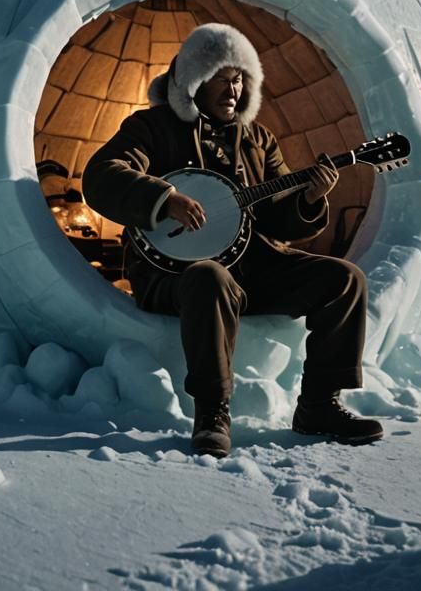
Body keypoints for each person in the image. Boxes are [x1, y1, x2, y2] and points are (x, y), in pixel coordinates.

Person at [82, 23, 383, 458]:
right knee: (209, 277)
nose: (233, 89)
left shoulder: (259, 140)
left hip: (253, 267)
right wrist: (164, 200)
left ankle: (319, 405)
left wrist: (309, 199)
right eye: (221, 78)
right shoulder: (152, 127)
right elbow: (101, 176)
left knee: (344, 279)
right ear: (194, 82)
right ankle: (211, 411)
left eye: (239, 79)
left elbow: (279, 217)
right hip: (177, 276)